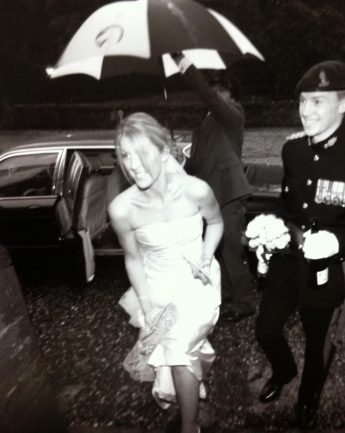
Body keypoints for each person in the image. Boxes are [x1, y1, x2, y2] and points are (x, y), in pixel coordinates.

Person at [255, 61, 345, 428]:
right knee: (266, 329)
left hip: (326, 268)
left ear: (344, 103)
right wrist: (271, 227)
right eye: (303, 101)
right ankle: (283, 371)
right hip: (288, 257)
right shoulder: (292, 150)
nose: (306, 111)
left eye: (317, 101)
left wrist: (338, 242)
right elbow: (288, 203)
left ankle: (307, 399)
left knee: (317, 343)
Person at [108, 112, 223, 433]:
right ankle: (190, 416)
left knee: (180, 349)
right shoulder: (121, 209)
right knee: (177, 354)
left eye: (140, 153)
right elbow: (133, 259)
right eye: (125, 155)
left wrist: (206, 256)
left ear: (163, 151)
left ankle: (189, 427)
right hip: (156, 288)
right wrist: (147, 307)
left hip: (197, 285)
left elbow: (216, 223)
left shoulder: (196, 190)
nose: (132, 165)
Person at [171, 52, 255, 323]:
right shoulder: (204, 125)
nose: (217, 92)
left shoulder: (234, 114)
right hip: (210, 197)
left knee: (232, 250)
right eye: (215, 88)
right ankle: (227, 295)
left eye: (223, 89)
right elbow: (196, 166)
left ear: (232, 95)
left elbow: (208, 97)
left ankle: (244, 302)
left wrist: (182, 62)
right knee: (219, 250)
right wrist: (180, 159)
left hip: (228, 193)